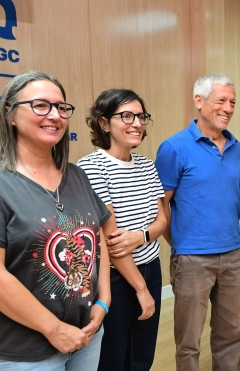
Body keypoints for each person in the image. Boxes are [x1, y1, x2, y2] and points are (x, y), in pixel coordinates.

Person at [0, 70, 111, 370]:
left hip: (87, 336)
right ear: (10, 114)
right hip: (25, 351)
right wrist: (54, 328)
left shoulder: (76, 175)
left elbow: (97, 239)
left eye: (62, 107)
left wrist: (103, 302)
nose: (55, 115)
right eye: (40, 105)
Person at [155, 72, 240, 371]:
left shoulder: (236, 147)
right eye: (221, 100)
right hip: (193, 258)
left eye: (232, 102)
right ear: (199, 101)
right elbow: (161, 206)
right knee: (189, 339)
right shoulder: (174, 148)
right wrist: (180, 242)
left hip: (234, 254)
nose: (228, 108)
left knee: (231, 334)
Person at [77, 89, 167, 370]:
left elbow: (163, 220)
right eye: (127, 116)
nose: (137, 123)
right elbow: (112, 241)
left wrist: (140, 236)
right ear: (104, 123)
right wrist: (140, 288)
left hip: (151, 266)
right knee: (114, 358)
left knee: (142, 356)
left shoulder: (147, 165)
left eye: (141, 116)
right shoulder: (92, 168)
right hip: (115, 277)